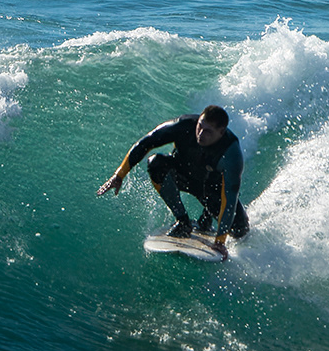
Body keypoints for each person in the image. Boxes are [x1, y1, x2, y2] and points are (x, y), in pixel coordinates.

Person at [97, 104, 249, 261]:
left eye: (208, 131)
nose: (200, 134)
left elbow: (229, 197)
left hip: (210, 190)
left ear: (221, 132)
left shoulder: (231, 153)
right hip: (182, 176)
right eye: (200, 126)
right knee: (155, 164)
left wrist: (220, 241)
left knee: (241, 231)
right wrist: (119, 176)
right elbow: (146, 142)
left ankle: (206, 219)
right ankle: (183, 221)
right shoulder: (183, 126)